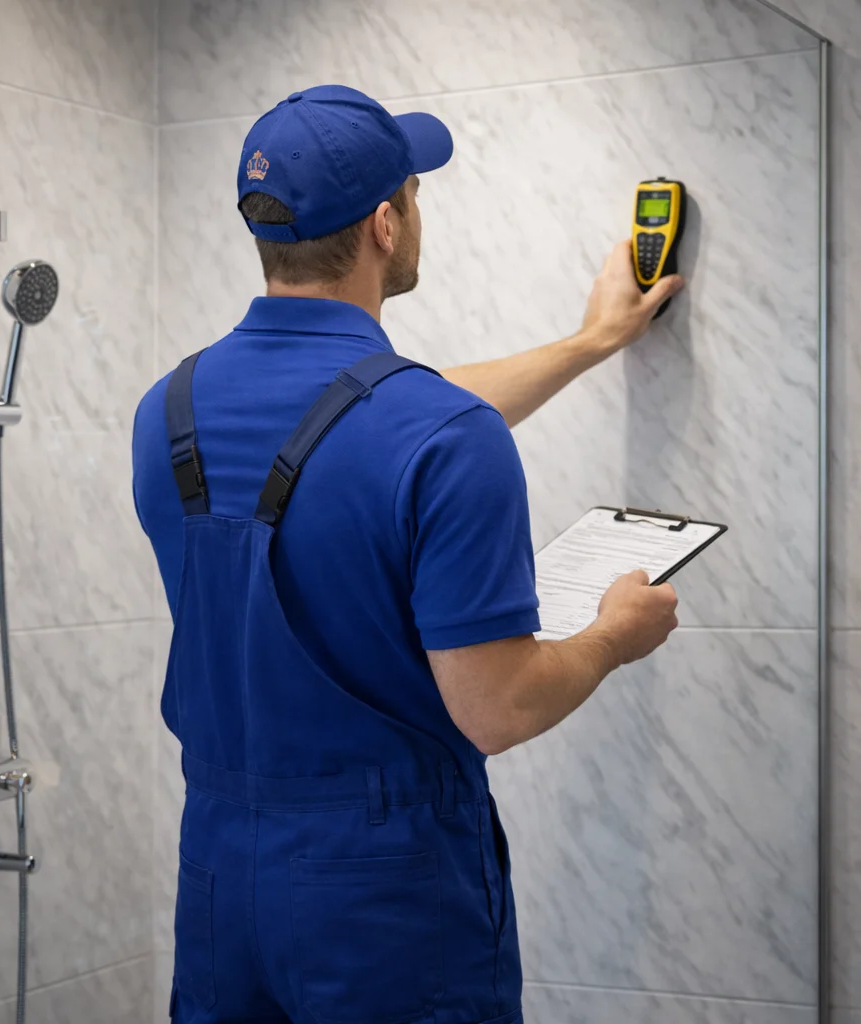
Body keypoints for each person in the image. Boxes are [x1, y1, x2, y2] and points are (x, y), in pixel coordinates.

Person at [132, 84, 682, 1024]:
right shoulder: (442, 436)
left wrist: (594, 342)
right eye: (415, 194)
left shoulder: (168, 409)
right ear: (387, 224)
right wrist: (610, 637)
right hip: (383, 894)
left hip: (221, 872)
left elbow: (352, 427)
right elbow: (498, 709)